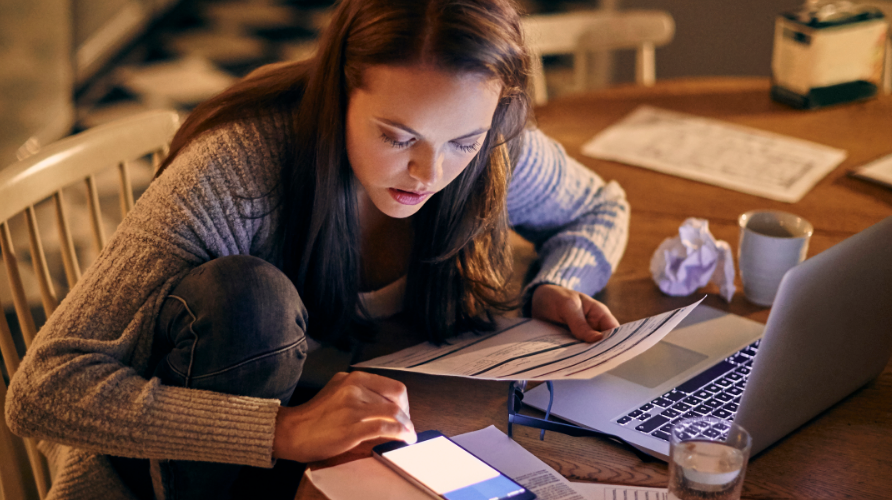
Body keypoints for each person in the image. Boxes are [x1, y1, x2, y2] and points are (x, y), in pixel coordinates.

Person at [5, 0, 630, 498]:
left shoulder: (493, 147)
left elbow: (599, 205)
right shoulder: (237, 170)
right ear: (339, 93)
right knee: (249, 298)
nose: (427, 172)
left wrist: (558, 282)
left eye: (462, 141)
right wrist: (282, 429)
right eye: (395, 135)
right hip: (192, 466)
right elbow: (43, 390)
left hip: (360, 444)